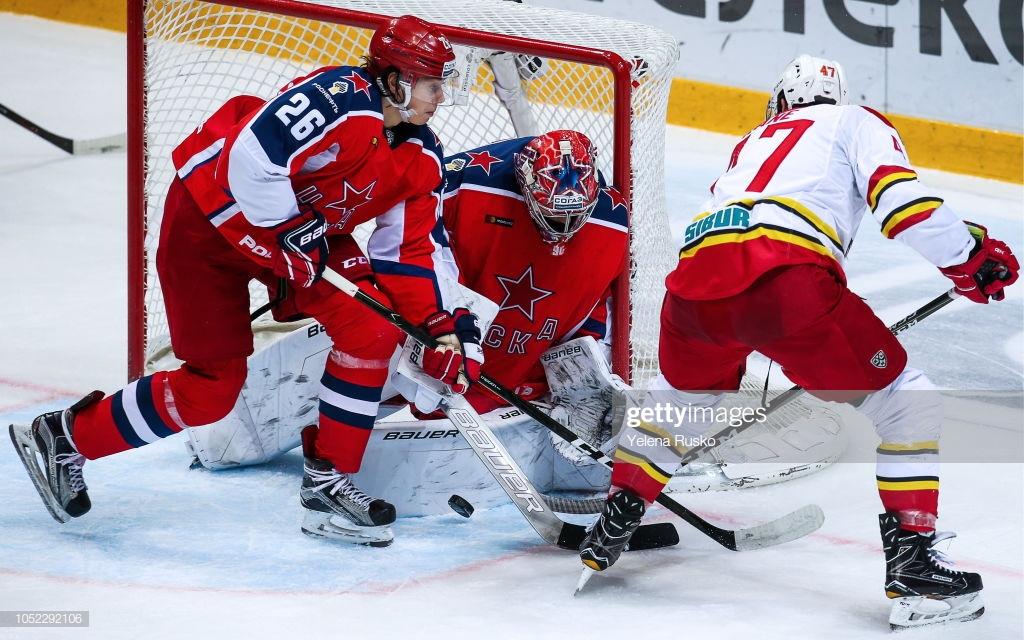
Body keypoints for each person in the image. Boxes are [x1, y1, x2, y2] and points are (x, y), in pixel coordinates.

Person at [10, 15, 485, 549]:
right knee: (212, 391)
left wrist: (437, 326)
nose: (440, 97)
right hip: (212, 220)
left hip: (299, 238)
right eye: (432, 84)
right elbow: (252, 160)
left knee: (374, 328)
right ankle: (67, 438)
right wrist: (287, 230)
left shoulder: (421, 155)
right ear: (396, 79)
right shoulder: (337, 99)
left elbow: (408, 250)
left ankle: (328, 480)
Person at [579, 55, 1018, 628]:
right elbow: (902, 204)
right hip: (786, 283)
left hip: (691, 291)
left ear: (785, 99)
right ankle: (917, 575)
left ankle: (616, 514)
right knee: (907, 402)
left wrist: (967, 248)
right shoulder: (856, 121)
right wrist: (969, 258)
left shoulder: (751, 142)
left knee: (679, 402)